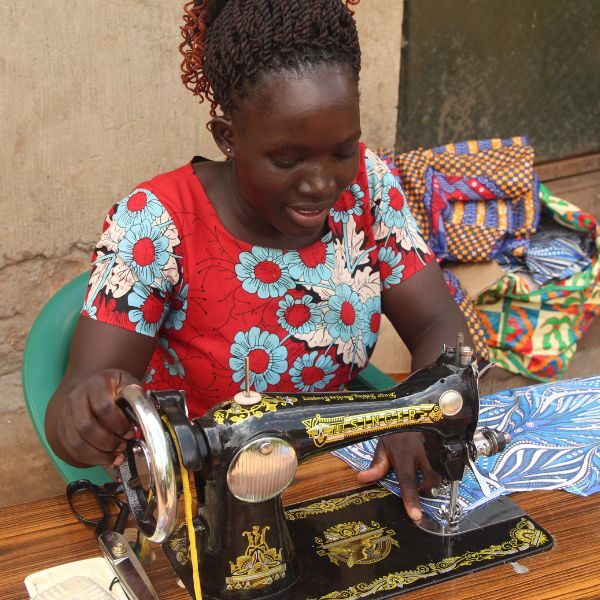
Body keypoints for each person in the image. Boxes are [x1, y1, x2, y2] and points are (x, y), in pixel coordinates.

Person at [45, 0, 471, 522]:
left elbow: (437, 320)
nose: (321, 184)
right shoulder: (156, 225)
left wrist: (418, 413)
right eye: (287, 160)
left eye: (342, 151)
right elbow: (80, 396)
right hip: (202, 501)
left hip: (327, 476)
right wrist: (84, 414)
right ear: (228, 137)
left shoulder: (368, 189)